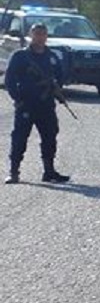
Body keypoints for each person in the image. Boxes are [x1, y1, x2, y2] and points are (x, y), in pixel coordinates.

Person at [5, 23, 69, 185]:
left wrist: (56, 88)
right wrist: (17, 99)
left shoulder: (52, 56)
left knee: (50, 137)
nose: (40, 37)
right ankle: (14, 172)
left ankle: (49, 171)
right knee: (19, 138)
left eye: (43, 34)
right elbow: (10, 79)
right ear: (31, 35)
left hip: (46, 105)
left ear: (47, 36)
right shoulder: (20, 56)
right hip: (25, 105)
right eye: (37, 33)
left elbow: (61, 76)